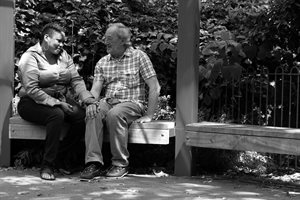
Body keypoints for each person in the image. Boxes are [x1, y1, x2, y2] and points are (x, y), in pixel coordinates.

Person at [80, 23, 161, 179]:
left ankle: (120, 164)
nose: (105, 41)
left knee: (115, 114)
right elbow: (95, 90)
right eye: (105, 38)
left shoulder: (139, 56)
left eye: (109, 38)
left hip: (132, 103)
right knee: (93, 112)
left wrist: (149, 115)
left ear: (123, 40)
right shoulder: (103, 62)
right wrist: (90, 103)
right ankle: (94, 164)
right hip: (109, 101)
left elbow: (154, 86)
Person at [17, 23, 96, 180]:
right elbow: (31, 89)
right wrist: (57, 103)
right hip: (30, 102)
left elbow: (76, 80)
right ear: (46, 38)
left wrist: (87, 99)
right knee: (56, 114)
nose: (61, 45)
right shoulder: (30, 57)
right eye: (58, 41)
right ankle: (47, 165)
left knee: (82, 116)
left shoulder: (64, 55)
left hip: (59, 100)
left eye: (63, 42)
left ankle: (61, 156)